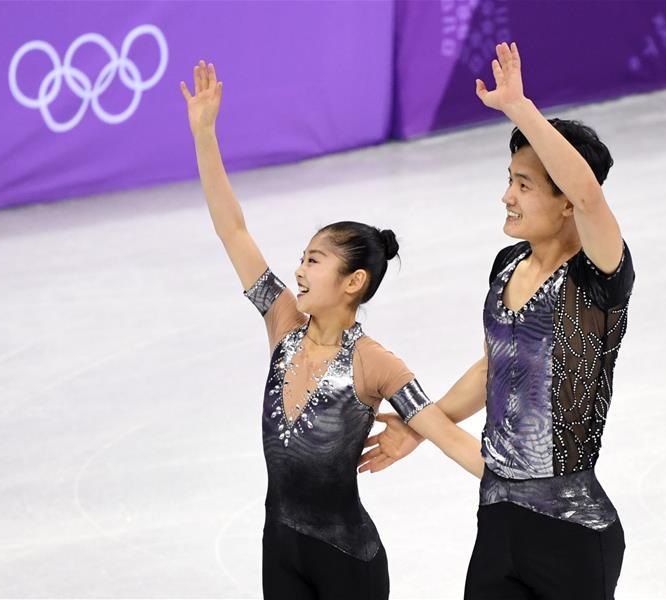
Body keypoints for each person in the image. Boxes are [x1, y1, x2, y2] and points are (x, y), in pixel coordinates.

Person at [180, 60, 484, 600]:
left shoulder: (374, 362)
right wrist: (205, 136)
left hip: (348, 566)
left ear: (353, 281)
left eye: (314, 260)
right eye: (302, 258)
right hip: (280, 553)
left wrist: (530, 490)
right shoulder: (284, 324)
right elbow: (233, 230)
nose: (299, 270)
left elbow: (446, 435)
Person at [359, 42, 635, 599]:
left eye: (524, 184)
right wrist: (419, 426)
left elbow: (589, 195)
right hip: (498, 521)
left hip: (573, 533)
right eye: (510, 178)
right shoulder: (507, 264)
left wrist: (520, 109)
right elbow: (495, 367)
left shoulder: (598, 275)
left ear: (565, 201)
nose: (507, 196)